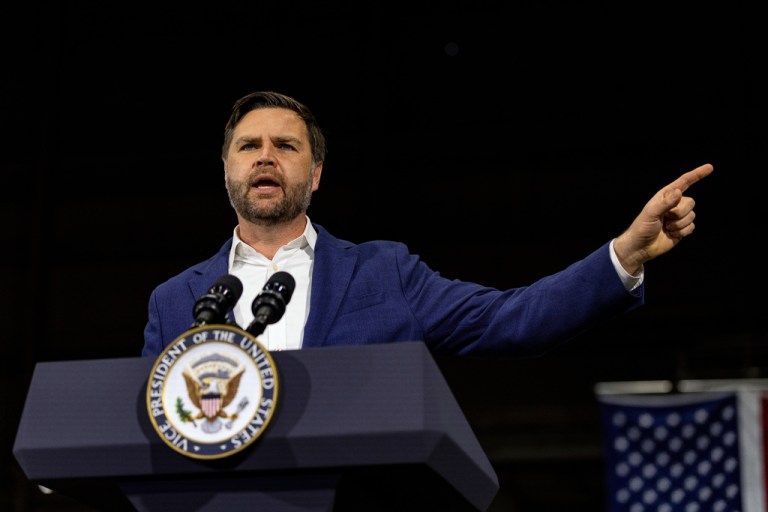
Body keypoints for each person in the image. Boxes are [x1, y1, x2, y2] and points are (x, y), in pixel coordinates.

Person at [141, 90, 713, 359]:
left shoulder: (383, 272)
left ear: (315, 175)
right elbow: (145, 426)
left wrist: (626, 254)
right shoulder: (173, 302)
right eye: (249, 146)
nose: (265, 157)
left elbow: (509, 319)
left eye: (285, 146)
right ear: (226, 170)